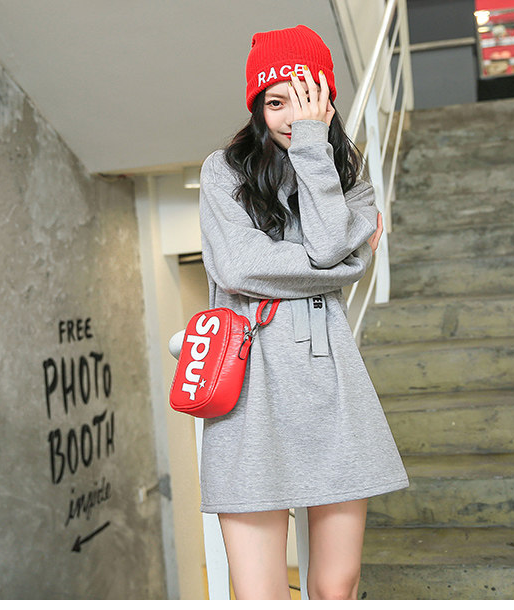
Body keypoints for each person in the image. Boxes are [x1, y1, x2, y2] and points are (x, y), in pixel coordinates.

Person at [197, 25, 409, 600]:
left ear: (328, 99)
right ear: (257, 107)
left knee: (338, 587)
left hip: (333, 389)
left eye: (306, 98)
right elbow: (240, 267)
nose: (292, 115)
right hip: (251, 393)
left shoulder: (351, 182)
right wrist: (338, 265)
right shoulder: (224, 171)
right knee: (260, 594)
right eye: (275, 102)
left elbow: (328, 247)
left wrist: (314, 149)